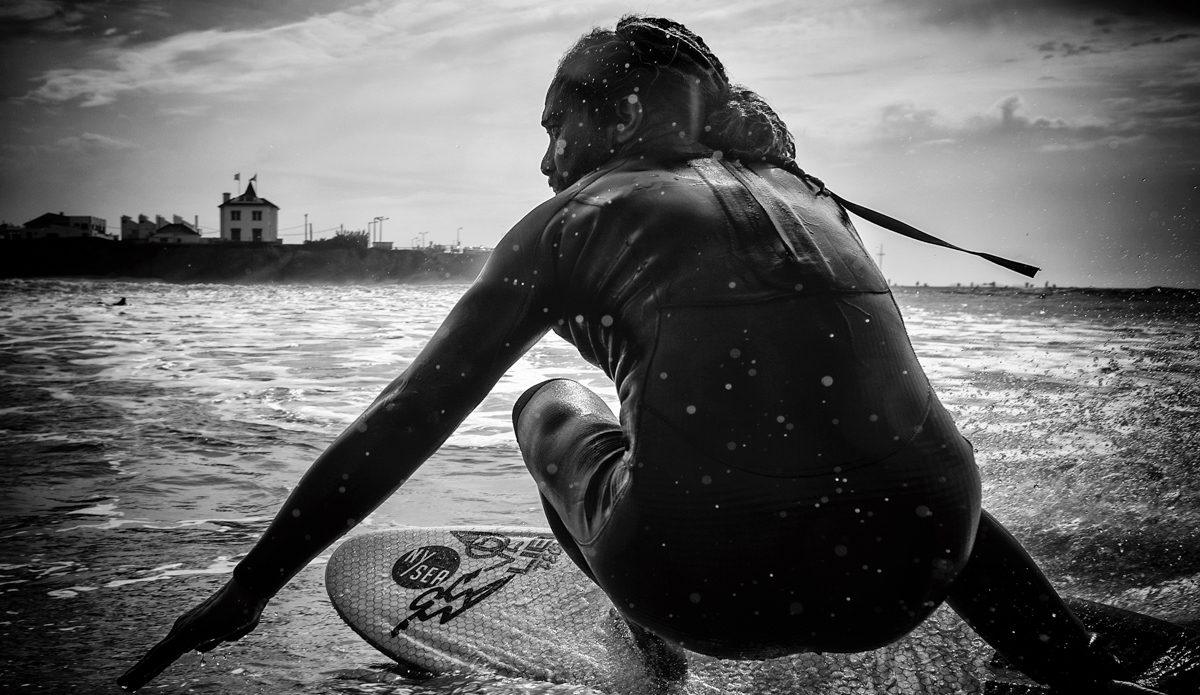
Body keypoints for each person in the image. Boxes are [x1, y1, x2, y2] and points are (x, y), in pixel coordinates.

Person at [120, 16, 1166, 694]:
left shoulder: (568, 221)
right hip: (914, 566)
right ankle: (1075, 670)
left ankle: (649, 661)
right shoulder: (805, 191)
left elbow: (404, 416)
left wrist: (250, 587)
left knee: (547, 399)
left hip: (704, 581)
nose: (546, 160)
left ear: (616, 113)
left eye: (553, 127)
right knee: (881, 440)